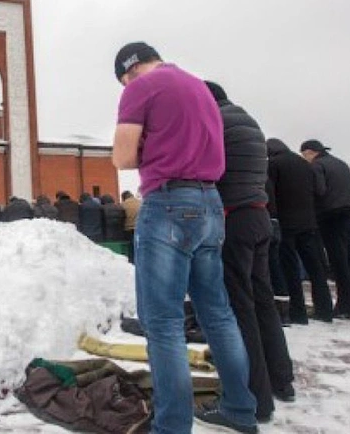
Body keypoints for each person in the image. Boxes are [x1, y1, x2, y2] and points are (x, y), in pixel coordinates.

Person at [111, 42, 257, 433]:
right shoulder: (200, 89)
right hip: (211, 204)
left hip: (170, 204)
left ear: (130, 70)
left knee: (163, 324)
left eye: (124, 79)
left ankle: (172, 427)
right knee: (218, 315)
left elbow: (122, 157)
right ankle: (241, 409)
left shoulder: (140, 87)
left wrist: (144, 145)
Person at [206, 81, 295, 424]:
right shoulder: (248, 120)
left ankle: (254, 400)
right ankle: (281, 380)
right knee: (263, 302)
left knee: (240, 308)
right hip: (259, 217)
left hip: (234, 220)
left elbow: (211, 170)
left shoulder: (217, 121)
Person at [266, 139, 335, 324]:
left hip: (286, 224)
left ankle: (298, 313)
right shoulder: (306, 164)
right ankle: (325, 310)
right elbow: (319, 191)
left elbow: (269, 194)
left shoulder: (273, 164)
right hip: (309, 223)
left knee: (290, 269)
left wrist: (272, 217)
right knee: (316, 268)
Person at [301, 139, 350, 318]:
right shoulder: (341, 164)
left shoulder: (317, 166)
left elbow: (320, 191)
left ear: (310, 152)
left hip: (331, 217)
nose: (304, 158)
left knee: (339, 263)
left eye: (304, 154)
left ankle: (346, 307)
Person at [121, 191, 140, 263]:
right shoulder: (140, 202)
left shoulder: (123, 205)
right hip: (140, 228)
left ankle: (132, 261)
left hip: (128, 229)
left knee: (131, 247)